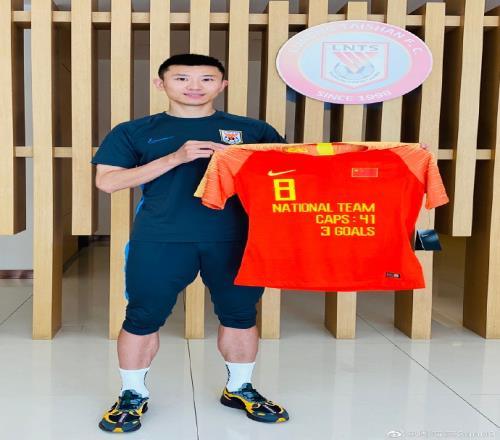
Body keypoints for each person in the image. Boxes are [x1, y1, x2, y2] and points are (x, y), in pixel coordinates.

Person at [92, 53, 289, 433]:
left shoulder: (253, 130)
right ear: (161, 83)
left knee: (240, 315)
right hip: (160, 238)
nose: (194, 86)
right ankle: (132, 394)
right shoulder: (134, 131)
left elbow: (288, 174)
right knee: (142, 316)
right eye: (182, 78)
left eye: (206, 79)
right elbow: (108, 181)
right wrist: (175, 158)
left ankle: (240, 388)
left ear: (223, 85)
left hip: (236, 238)